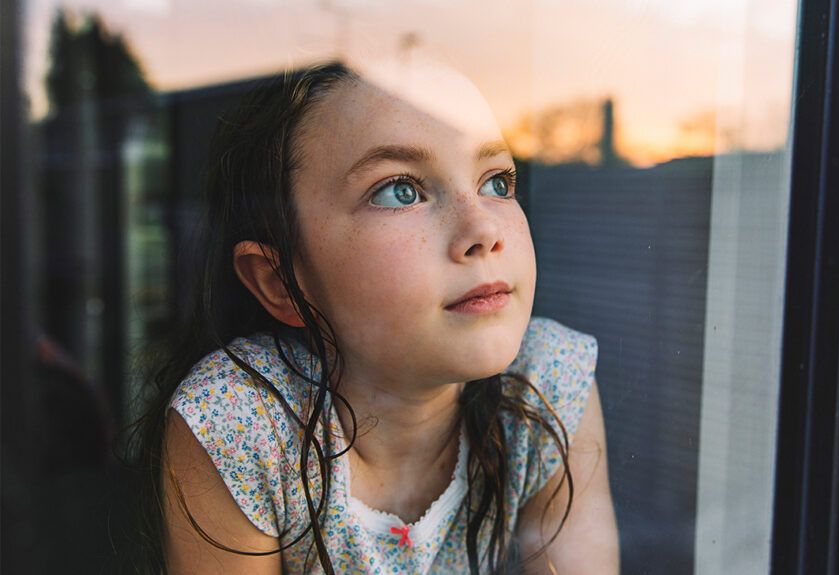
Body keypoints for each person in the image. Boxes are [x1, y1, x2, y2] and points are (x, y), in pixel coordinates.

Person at [132, 59, 618, 574]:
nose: (483, 228)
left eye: (496, 181)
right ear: (283, 283)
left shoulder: (546, 383)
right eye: (399, 191)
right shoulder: (240, 421)